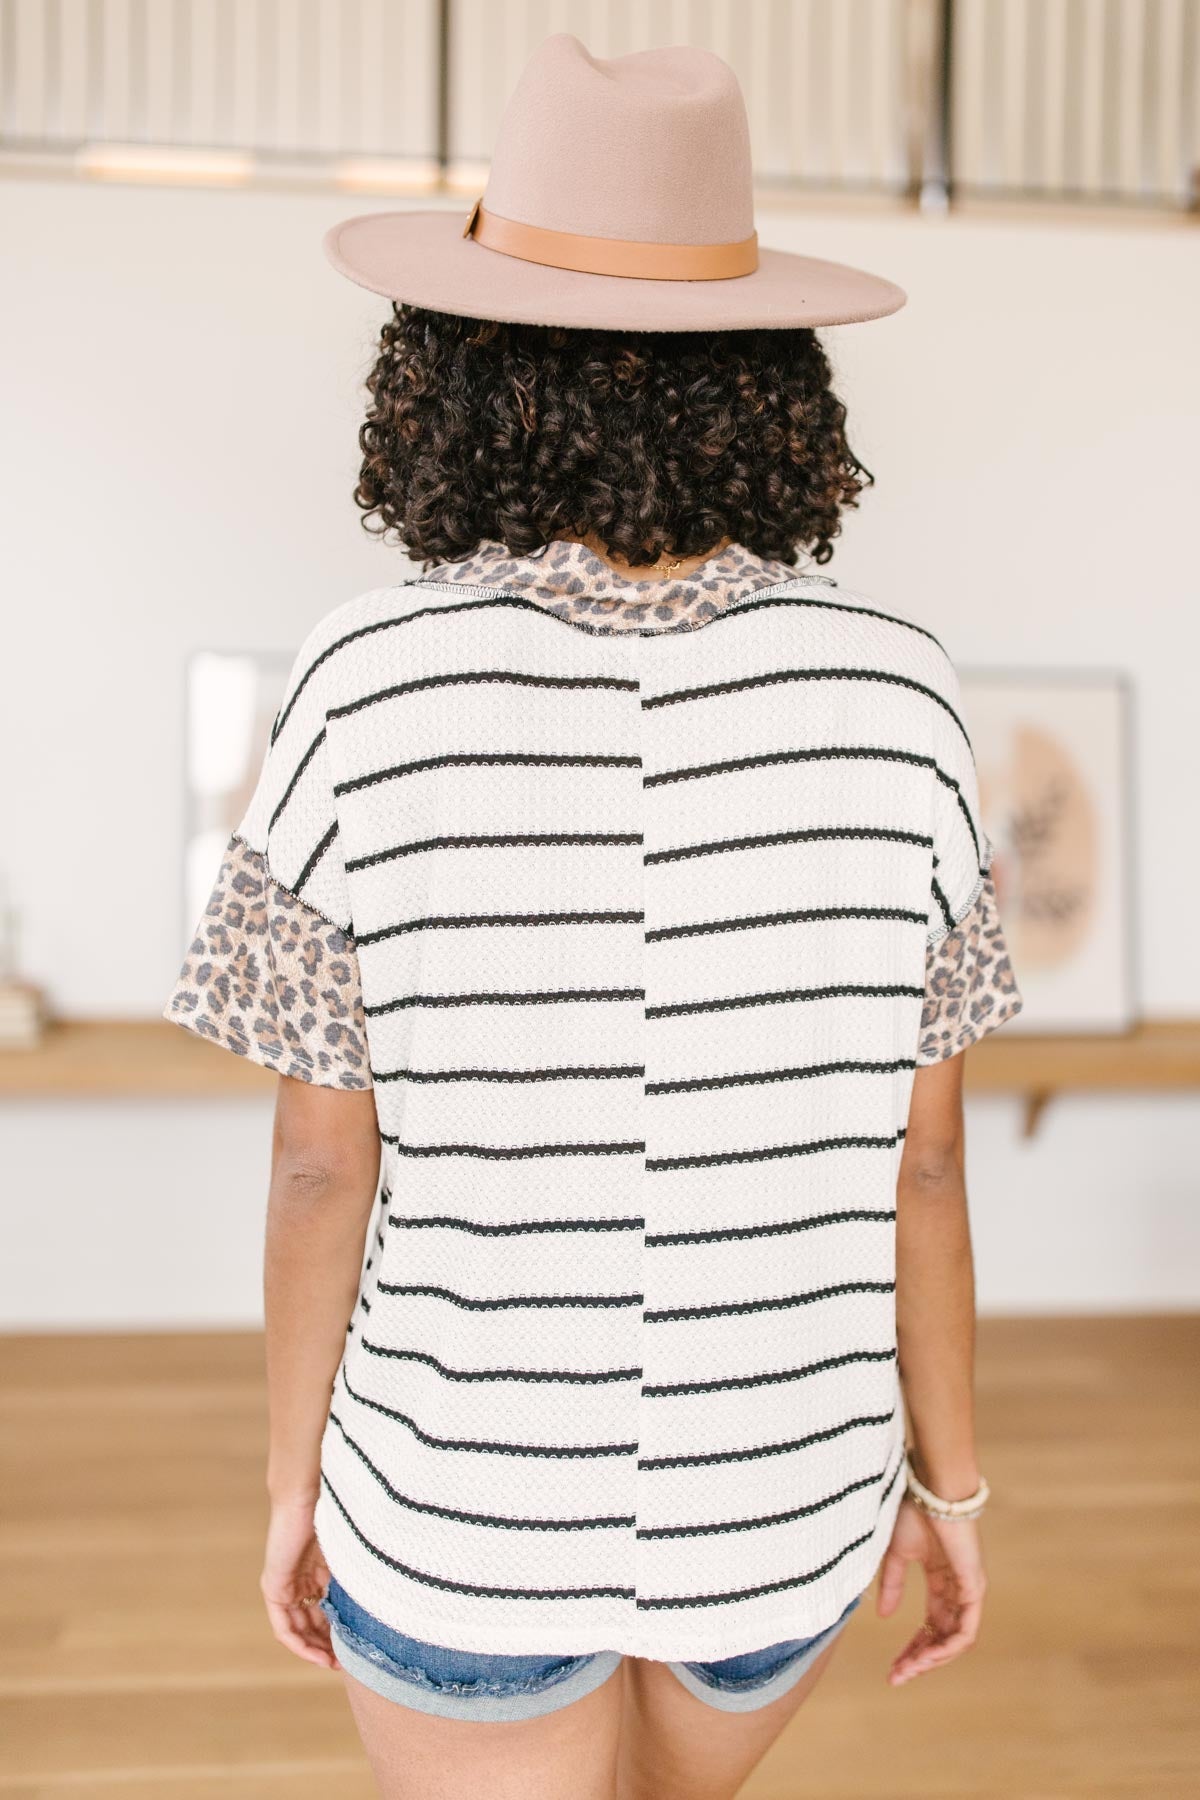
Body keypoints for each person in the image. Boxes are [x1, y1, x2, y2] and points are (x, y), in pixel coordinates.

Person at [165, 34, 1023, 1800]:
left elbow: (322, 1166)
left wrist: (289, 1483)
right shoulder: (905, 696)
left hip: (461, 1500)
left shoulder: (358, 684)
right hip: (780, 1501)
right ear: (766, 380)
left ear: (458, 368)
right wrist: (950, 1489)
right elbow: (922, 1166)